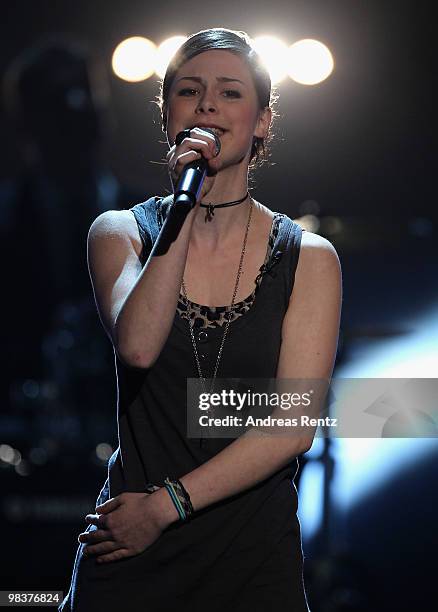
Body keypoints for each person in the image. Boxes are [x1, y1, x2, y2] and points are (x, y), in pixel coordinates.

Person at [60, 28, 342, 611]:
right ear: (168, 116)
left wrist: (164, 508)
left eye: (230, 93)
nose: (208, 104)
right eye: (189, 91)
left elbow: (292, 426)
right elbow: (138, 346)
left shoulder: (307, 259)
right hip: (131, 557)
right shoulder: (119, 233)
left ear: (262, 121)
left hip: (249, 560)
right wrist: (184, 205)